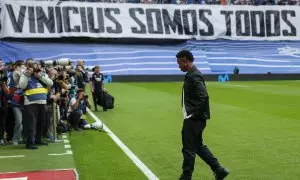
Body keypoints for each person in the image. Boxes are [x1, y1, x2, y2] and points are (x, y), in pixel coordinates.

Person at [176, 50, 229, 180]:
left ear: (185, 61)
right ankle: (219, 169)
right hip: (196, 118)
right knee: (197, 146)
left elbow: (203, 96)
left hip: (194, 119)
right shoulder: (192, 74)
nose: (178, 66)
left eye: (179, 63)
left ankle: (186, 176)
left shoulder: (194, 75)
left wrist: (194, 114)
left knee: (188, 148)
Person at [19, 61, 53, 149]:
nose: (35, 70)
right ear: (28, 68)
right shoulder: (25, 75)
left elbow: (50, 83)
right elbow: (22, 86)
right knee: (31, 124)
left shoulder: (42, 74)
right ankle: (30, 143)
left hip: (42, 102)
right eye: (33, 68)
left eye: (36, 67)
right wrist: (27, 75)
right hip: (30, 103)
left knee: (40, 123)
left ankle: (38, 140)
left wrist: (40, 76)